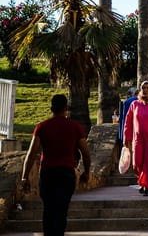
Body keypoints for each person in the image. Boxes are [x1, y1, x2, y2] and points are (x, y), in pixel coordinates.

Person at [21, 94, 91, 236]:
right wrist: (86, 172)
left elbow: (31, 154)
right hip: (66, 174)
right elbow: (86, 153)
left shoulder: (41, 127)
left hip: (48, 173)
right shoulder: (75, 127)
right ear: (66, 108)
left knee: (48, 210)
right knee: (61, 210)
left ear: (51, 108)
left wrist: (25, 177)